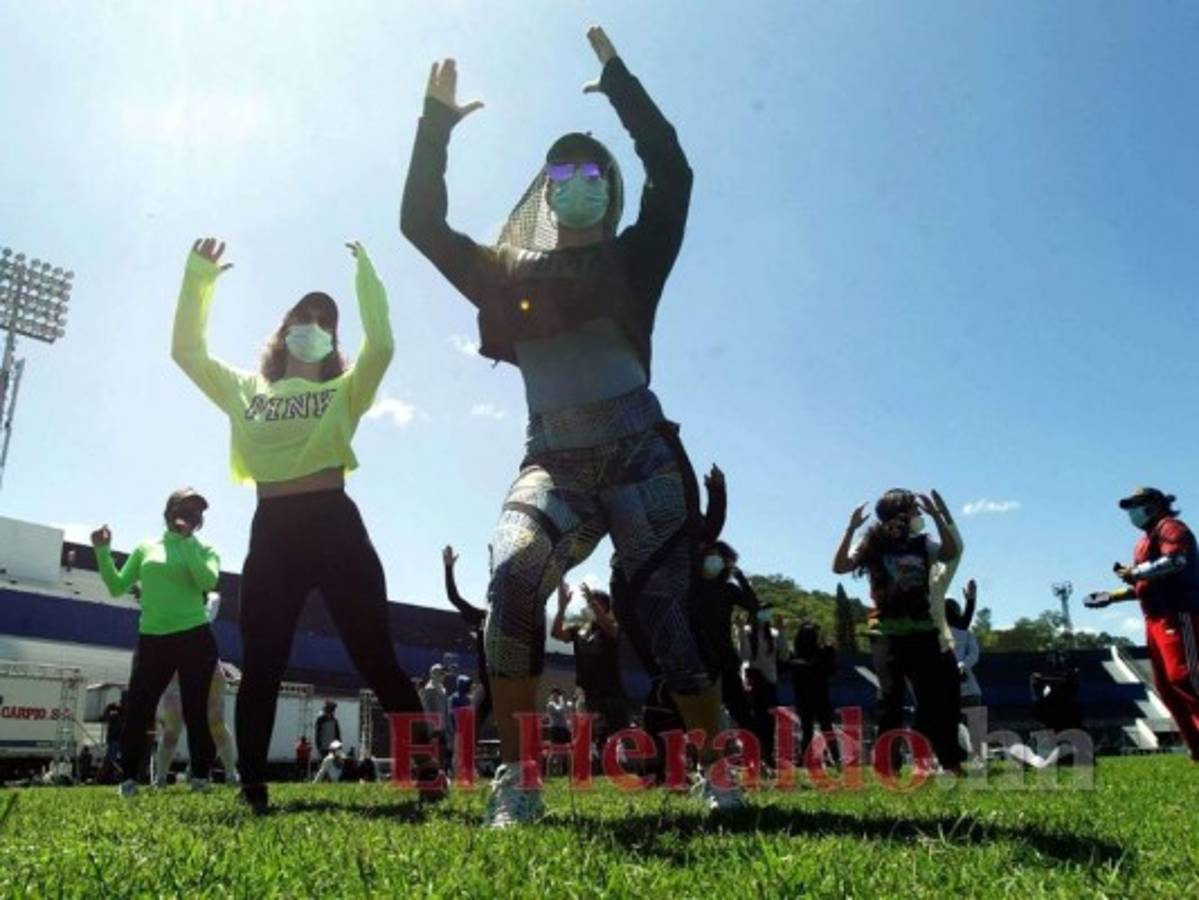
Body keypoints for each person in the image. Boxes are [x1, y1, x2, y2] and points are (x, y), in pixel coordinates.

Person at [402, 25, 736, 826]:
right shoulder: (507, 272)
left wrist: (620, 83)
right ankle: (519, 782)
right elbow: (421, 223)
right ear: (544, 193)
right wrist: (433, 125)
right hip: (551, 455)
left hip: (639, 453)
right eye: (562, 173)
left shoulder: (636, 253)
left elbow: (674, 169)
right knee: (512, 577)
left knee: (663, 613)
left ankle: (719, 769)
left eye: (591, 172)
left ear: (607, 189)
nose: (576, 181)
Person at [172, 237, 440, 813]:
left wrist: (366, 277)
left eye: (326, 321)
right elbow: (187, 352)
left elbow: (384, 345)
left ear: (333, 342)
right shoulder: (248, 388)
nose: (313, 324)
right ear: (284, 327)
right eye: (304, 316)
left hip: (336, 525)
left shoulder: (344, 391)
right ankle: (253, 788)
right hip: (272, 530)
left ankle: (427, 768)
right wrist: (200, 278)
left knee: (376, 657)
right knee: (263, 659)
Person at [92, 488, 221, 797]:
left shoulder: (206, 549)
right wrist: (102, 550)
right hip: (153, 638)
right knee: (138, 708)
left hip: (195, 637)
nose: (191, 515)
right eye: (185, 508)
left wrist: (187, 541)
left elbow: (208, 581)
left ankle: (200, 776)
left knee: (195, 709)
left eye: (196, 512)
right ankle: (129, 781)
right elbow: (116, 586)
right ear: (169, 510)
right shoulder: (145, 547)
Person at [832, 489, 964, 775]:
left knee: (933, 699)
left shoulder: (922, 544)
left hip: (923, 630)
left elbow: (950, 553)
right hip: (887, 632)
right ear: (898, 514)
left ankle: (944, 761)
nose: (918, 516)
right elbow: (840, 566)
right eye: (914, 511)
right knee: (890, 697)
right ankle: (887, 765)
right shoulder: (873, 542)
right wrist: (851, 529)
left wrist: (938, 516)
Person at [1086, 487, 1199, 761]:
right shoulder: (1144, 541)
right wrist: (1112, 596)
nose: (1131, 513)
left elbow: (1177, 560)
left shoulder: (1170, 528)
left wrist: (1134, 572)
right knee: (1167, 688)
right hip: (1154, 620)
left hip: (1178, 614)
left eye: (1136, 505)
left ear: (1154, 505)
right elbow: (1145, 584)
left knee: (1185, 678)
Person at [151, 595, 238, 787]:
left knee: (215, 724)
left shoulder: (199, 612)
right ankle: (161, 778)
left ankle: (231, 775)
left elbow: (215, 599)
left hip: (208, 673)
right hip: (177, 676)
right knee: (172, 729)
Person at [551, 582, 630, 762]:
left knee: (618, 732)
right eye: (589, 604)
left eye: (596, 603)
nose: (590, 607)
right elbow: (556, 634)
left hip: (611, 688)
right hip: (586, 689)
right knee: (585, 731)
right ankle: (588, 761)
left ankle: (621, 762)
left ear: (605, 607)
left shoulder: (612, 623)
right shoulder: (580, 626)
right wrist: (562, 606)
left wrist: (594, 605)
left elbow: (611, 630)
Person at [695, 541, 758, 731]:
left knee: (740, 709)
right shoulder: (690, 586)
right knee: (700, 712)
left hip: (724, 657)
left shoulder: (728, 589)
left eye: (719, 557)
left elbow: (753, 605)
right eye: (710, 555)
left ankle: (755, 753)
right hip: (697, 657)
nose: (714, 560)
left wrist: (740, 576)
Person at [442, 546, 492, 727]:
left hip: (505, 684)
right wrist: (448, 569)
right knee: (470, 728)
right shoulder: (483, 617)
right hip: (488, 685)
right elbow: (454, 598)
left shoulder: (509, 619)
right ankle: (462, 752)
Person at [739, 610, 788, 769]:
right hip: (753, 681)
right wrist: (740, 630)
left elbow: (784, 656)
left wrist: (782, 632)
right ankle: (753, 756)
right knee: (752, 721)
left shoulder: (773, 633)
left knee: (769, 722)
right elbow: (744, 655)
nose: (765, 614)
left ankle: (768, 756)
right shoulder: (746, 631)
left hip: (770, 682)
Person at [789, 621, 840, 768]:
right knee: (823, 728)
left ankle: (807, 758)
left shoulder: (798, 657)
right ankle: (834, 757)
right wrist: (829, 651)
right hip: (817, 697)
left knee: (809, 730)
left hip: (808, 698)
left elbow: (829, 670)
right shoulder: (820, 654)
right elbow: (830, 671)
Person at [946, 581, 983, 764]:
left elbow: (974, 654)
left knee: (974, 726)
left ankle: (976, 757)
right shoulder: (938, 634)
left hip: (968, 689)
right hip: (948, 689)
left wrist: (962, 665)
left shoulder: (965, 633)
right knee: (950, 727)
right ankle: (956, 757)